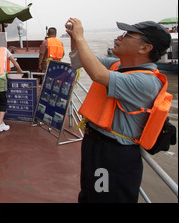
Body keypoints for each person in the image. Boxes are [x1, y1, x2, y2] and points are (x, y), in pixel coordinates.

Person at [67, 18, 172, 203]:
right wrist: (74, 38)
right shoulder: (118, 66)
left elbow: (98, 74)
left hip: (114, 155)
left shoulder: (146, 82)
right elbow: (79, 61)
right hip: (95, 144)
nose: (119, 37)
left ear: (145, 48)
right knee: (89, 195)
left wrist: (81, 37)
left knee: (106, 197)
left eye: (127, 35)